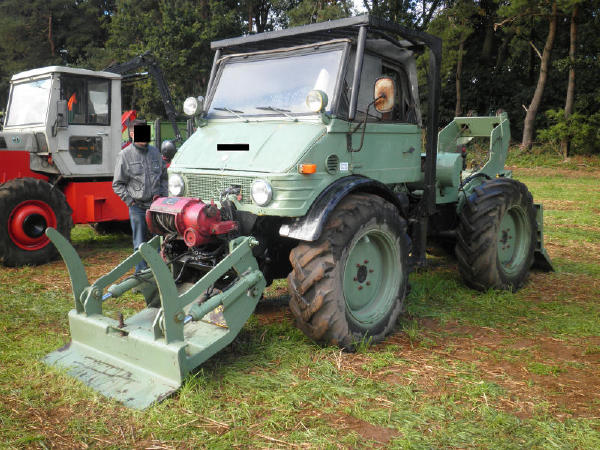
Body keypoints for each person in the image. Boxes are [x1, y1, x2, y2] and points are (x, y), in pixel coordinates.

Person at [113, 119, 168, 272]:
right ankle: (141, 274)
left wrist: (163, 197)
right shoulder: (124, 155)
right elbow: (117, 184)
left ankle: (160, 273)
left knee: (159, 242)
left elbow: (164, 177)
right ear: (132, 134)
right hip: (137, 207)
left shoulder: (155, 153)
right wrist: (130, 202)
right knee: (140, 243)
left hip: (156, 207)